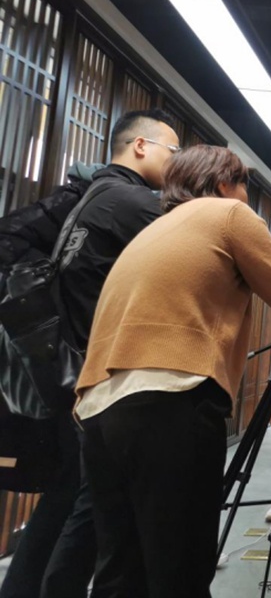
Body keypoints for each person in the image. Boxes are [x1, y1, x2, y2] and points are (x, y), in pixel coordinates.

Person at [74, 145, 271, 598]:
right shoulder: (229, 214)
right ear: (225, 183)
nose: (246, 197)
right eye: (244, 185)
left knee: (121, 570)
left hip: (98, 406)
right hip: (171, 398)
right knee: (181, 570)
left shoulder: (155, 228)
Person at [0, 110, 179, 598]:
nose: (177, 163)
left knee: (72, 496)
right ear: (140, 146)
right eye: (173, 150)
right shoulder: (126, 199)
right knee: (82, 501)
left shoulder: (91, 194)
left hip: (65, 367)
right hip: (86, 371)